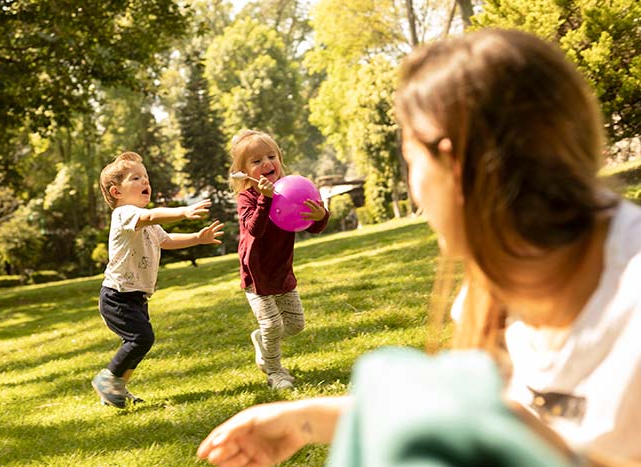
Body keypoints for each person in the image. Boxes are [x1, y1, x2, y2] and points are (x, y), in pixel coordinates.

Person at [197, 29, 641, 466]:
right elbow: (489, 423)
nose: (413, 187)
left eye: (411, 158)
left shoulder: (630, 302)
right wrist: (305, 421)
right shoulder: (497, 285)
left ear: (452, 161)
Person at [92, 151, 224, 408]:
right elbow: (151, 216)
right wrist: (183, 212)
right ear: (116, 191)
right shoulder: (124, 214)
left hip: (135, 295)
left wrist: (197, 237)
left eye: (146, 177)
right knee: (141, 339)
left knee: (140, 341)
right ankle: (107, 380)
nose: (145, 182)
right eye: (136, 178)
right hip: (117, 295)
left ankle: (115, 386)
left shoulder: (146, 222)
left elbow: (166, 240)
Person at [229, 130, 329, 390]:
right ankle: (275, 372)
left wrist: (320, 217)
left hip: (281, 270)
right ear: (244, 171)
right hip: (257, 274)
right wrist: (265, 199)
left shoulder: (291, 189)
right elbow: (254, 229)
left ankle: (263, 338)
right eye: (256, 161)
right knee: (272, 324)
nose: (266, 163)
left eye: (271, 156)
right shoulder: (247, 198)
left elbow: (308, 225)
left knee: (295, 325)